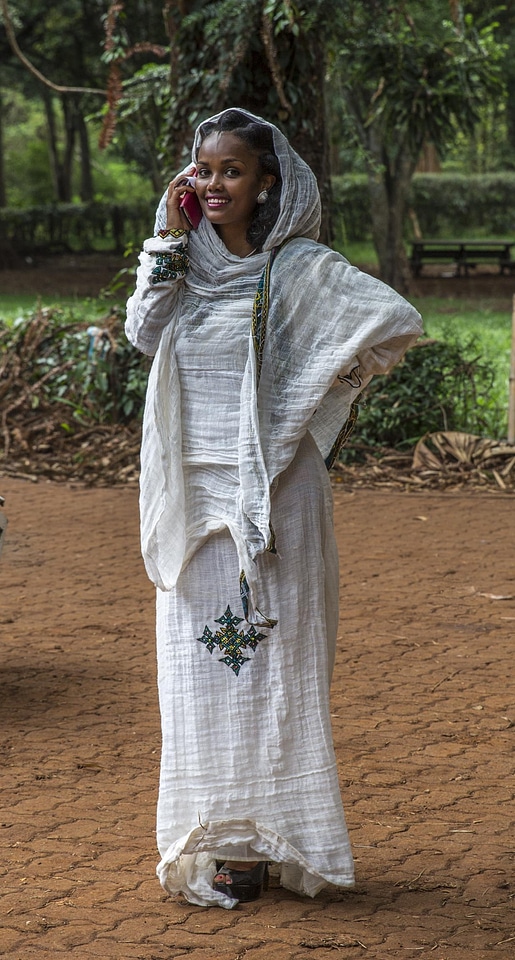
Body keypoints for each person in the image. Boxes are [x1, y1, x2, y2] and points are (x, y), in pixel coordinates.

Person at [125, 107, 423, 909]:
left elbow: (391, 323)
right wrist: (165, 235)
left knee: (275, 672)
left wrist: (310, 394)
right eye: (202, 170)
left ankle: (276, 839)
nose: (214, 184)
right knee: (201, 672)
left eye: (231, 172)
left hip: (278, 499)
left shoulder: (300, 270)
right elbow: (144, 335)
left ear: (265, 184)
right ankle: (220, 842)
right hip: (193, 502)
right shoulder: (179, 266)